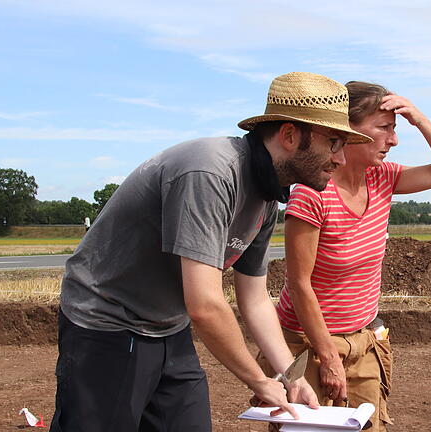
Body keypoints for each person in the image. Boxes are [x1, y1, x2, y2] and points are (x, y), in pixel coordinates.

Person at [49, 72, 373, 432]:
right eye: (333, 142)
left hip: (168, 326)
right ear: (289, 134)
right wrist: (259, 380)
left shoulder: (267, 198)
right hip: (107, 323)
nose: (341, 159)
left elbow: (254, 299)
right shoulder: (209, 172)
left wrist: (289, 376)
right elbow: (204, 305)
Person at [264, 81, 431, 431]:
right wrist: (327, 357)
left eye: (395, 129)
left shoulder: (382, 178)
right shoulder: (313, 194)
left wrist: (418, 118)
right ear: (348, 131)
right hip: (308, 343)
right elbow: (298, 285)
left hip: (363, 339)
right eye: (384, 128)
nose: (394, 140)